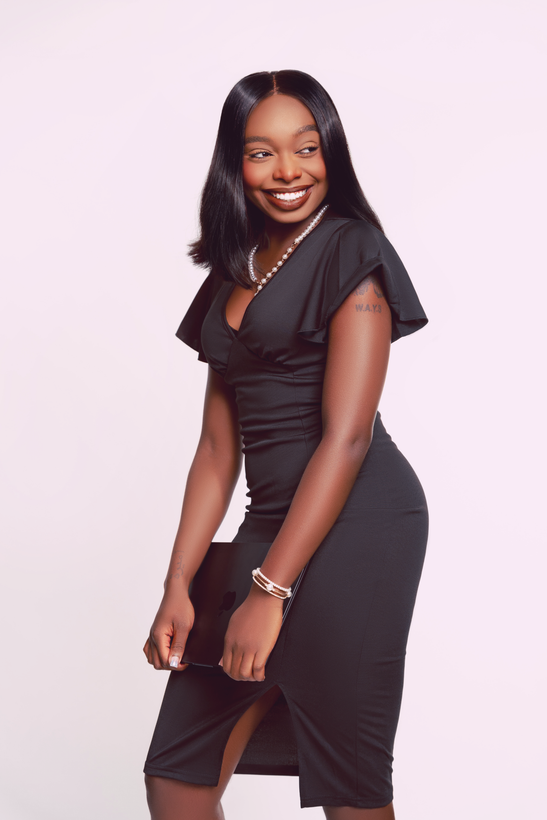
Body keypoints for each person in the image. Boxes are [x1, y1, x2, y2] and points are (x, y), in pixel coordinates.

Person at [143, 70, 429, 820]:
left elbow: (347, 436)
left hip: (360, 522)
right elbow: (214, 447)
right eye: (261, 153)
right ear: (233, 163)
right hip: (271, 521)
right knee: (178, 771)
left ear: (329, 151)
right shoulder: (232, 270)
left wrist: (268, 593)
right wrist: (179, 584)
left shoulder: (351, 248)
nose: (288, 171)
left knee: (349, 782)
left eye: (306, 148)